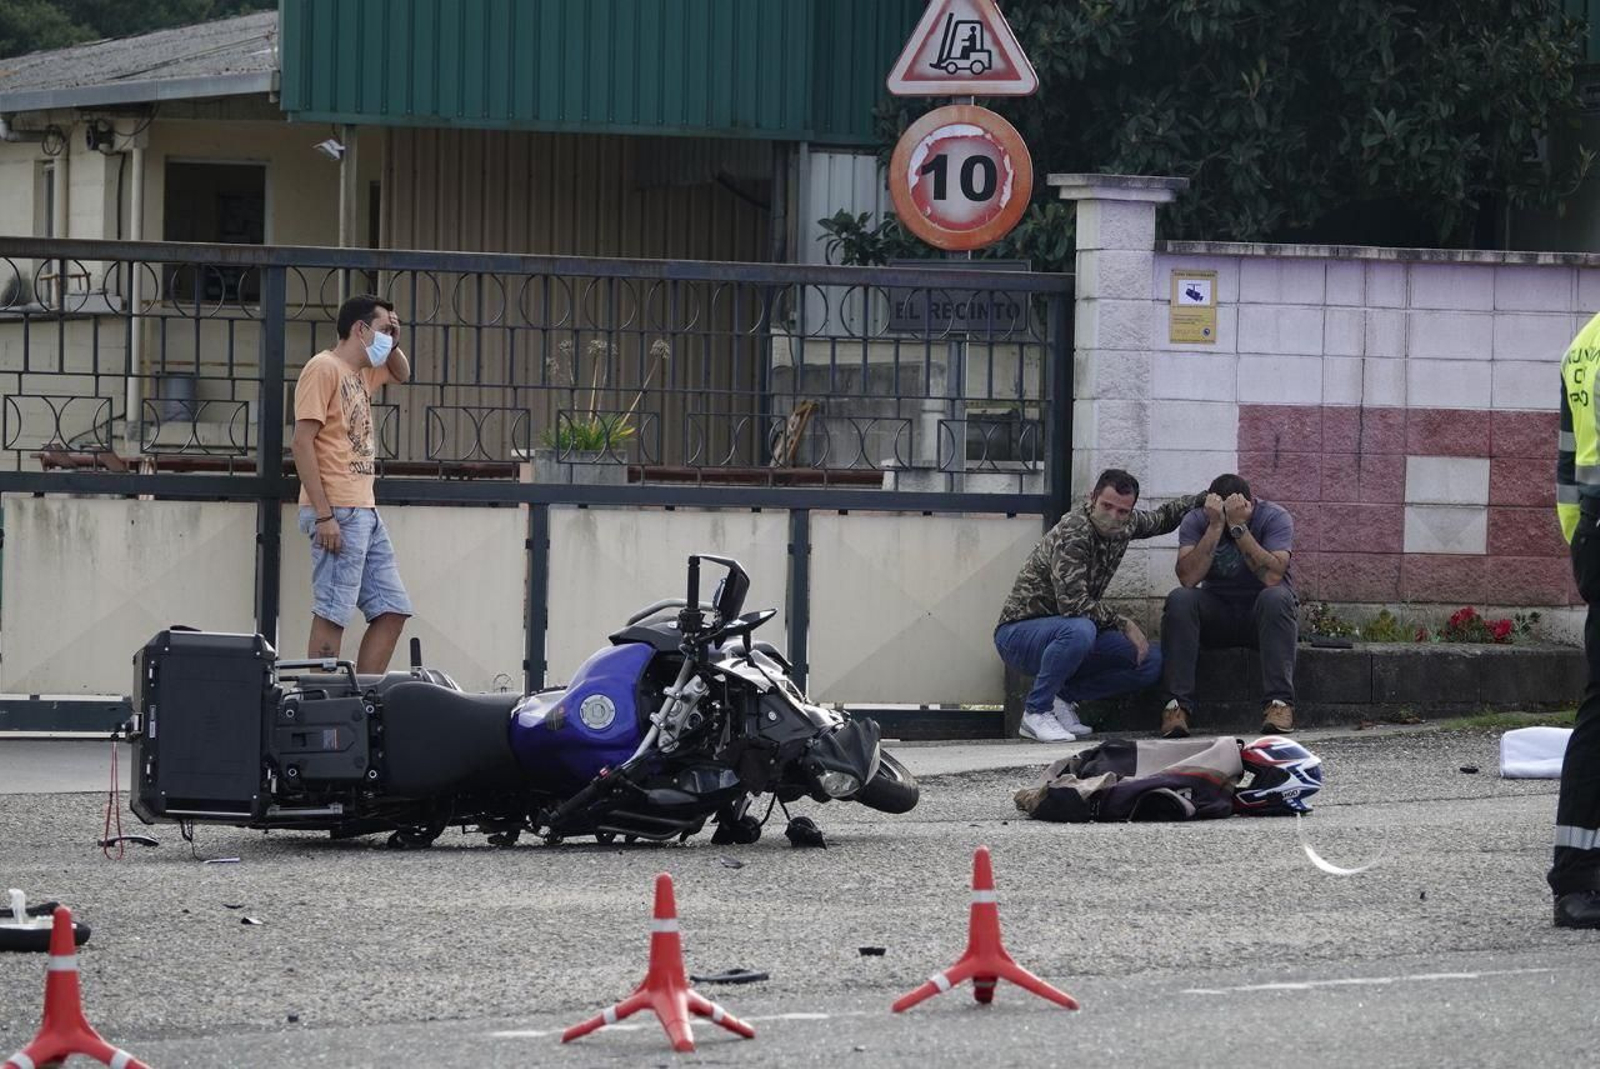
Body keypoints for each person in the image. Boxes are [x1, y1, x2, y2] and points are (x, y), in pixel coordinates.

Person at [995, 469, 1204, 742]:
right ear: (1092, 498)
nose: (1113, 517)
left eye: (1122, 511)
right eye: (1106, 506)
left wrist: (1205, 498)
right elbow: (1073, 605)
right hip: (1020, 636)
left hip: (1071, 635)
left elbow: (1163, 518)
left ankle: (1063, 698)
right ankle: (1036, 712)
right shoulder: (1074, 531)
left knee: (1149, 660)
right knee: (1081, 629)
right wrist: (1124, 623)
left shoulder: (1125, 524)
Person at [289, 294, 414, 673]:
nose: (388, 337)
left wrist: (393, 336)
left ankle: (362, 701)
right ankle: (321, 707)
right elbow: (301, 441)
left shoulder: (362, 372)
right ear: (360, 329)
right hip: (337, 509)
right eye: (382, 329)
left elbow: (403, 373)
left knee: (392, 609)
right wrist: (325, 515)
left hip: (364, 509)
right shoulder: (323, 368)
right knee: (333, 611)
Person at [1159, 474, 1297, 739]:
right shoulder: (1198, 519)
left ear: (1250, 504)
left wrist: (1238, 527)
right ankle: (1175, 707)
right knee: (1180, 599)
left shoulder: (1274, 517)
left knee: (1277, 597)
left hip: (1263, 618)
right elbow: (1188, 578)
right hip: (1218, 613)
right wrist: (1214, 526)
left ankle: (1280, 704)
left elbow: (1272, 576)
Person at [1550, 312, 1600, 927]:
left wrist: (1581, 548)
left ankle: (1578, 872)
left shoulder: (1584, 342)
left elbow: (1568, 464)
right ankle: (1577, 876)